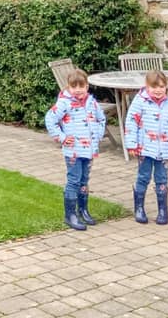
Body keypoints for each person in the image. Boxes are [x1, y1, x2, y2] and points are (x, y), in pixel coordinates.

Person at [44, 68, 106, 231]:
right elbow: (50, 119)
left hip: (89, 150)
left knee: (84, 179)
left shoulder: (91, 102)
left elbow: (101, 119)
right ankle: (70, 214)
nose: (78, 90)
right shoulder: (64, 103)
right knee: (74, 180)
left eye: (82, 86)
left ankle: (83, 210)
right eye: (74, 86)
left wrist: (98, 135)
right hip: (73, 151)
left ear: (87, 86)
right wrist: (63, 137)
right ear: (69, 87)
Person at [124, 69, 168, 225]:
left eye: (161, 86)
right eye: (154, 87)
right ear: (147, 86)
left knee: (162, 179)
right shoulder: (140, 102)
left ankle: (163, 210)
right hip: (145, 149)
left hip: (163, 151)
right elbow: (131, 122)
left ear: (166, 87)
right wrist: (131, 144)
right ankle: (139, 208)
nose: (158, 90)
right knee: (143, 177)